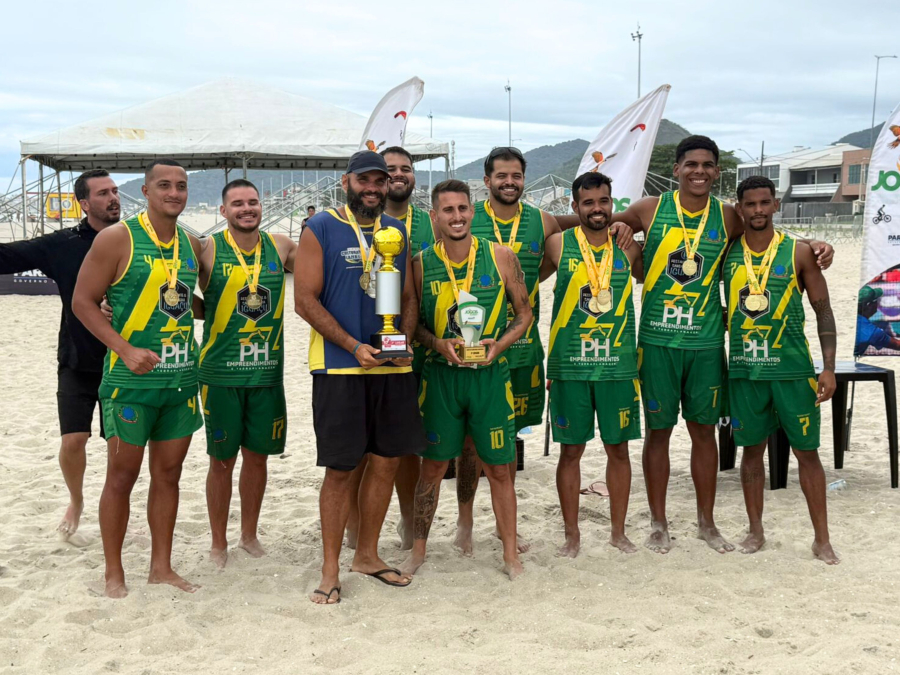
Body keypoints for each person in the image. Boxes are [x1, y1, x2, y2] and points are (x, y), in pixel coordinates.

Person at [608, 135, 833, 554]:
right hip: (657, 341)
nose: (699, 171)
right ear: (676, 169)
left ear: (717, 171)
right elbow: (598, 223)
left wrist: (817, 246)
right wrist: (620, 227)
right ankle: (658, 522)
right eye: (691, 164)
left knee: (703, 433)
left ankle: (706, 523)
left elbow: (766, 236)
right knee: (658, 433)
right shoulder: (649, 210)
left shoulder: (728, 217)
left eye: (708, 165)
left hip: (709, 344)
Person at [295, 150, 425, 605]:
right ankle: (330, 568)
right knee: (341, 467)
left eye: (380, 181)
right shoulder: (322, 227)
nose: (372, 187)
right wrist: (353, 346)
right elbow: (305, 300)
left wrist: (401, 342)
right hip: (340, 366)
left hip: (391, 367)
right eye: (364, 180)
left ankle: (367, 555)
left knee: (387, 461)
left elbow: (408, 296)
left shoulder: (396, 230)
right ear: (347, 182)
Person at [73, 159, 203, 598]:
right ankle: (114, 572)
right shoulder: (117, 238)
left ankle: (161, 567)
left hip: (181, 380)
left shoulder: (189, 243)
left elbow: (192, 300)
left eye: (181, 186)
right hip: (131, 384)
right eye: (164, 185)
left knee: (169, 475)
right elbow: (83, 302)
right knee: (121, 477)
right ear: (145, 191)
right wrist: (125, 349)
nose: (174, 193)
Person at [399, 179, 532, 579]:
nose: (456, 217)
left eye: (462, 209)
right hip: (442, 377)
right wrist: (437, 343)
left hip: (489, 376)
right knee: (433, 468)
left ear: (472, 212)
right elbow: (414, 325)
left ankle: (510, 555)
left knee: (500, 469)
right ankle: (419, 551)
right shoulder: (420, 264)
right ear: (435, 216)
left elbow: (524, 314)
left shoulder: (501, 256)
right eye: (447, 210)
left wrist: (500, 345)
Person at [0, 169, 119, 540]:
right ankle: (76, 499)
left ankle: (112, 504)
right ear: (84, 204)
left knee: (120, 447)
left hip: (124, 359)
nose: (113, 198)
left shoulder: (135, 240)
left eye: (115, 191)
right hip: (77, 358)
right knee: (73, 440)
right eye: (103, 193)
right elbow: (8, 257)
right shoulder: (64, 243)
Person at [725, 175, 839, 564]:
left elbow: (823, 311)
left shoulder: (799, 252)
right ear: (739, 208)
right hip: (744, 370)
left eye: (764, 203)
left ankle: (821, 539)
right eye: (750, 204)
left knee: (808, 454)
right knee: (751, 454)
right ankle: (755, 530)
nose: (757, 210)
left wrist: (827, 368)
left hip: (792, 370)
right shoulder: (726, 252)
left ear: (776, 205)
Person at [452, 147, 558, 555]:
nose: (509, 182)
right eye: (501, 175)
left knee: (508, 440)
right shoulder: (466, 216)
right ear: (487, 180)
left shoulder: (541, 221)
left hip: (521, 349)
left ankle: (503, 526)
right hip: (471, 347)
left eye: (516, 175)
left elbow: (540, 269)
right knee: (467, 443)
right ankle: (464, 521)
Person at [541, 172, 643, 557]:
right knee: (571, 452)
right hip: (570, 366)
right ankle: (572, 534)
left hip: (617, 365)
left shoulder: (629, 247)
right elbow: (525, 284)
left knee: (619, 449)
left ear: (612, 203)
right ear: (575, 207)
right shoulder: (557, 245)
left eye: (604, 202)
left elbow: (657, 279)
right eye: (588, 203)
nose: (597, 209)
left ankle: (618, 532)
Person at [196, 179, 297, 568]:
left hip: (267, 373)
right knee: (221, 461)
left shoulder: (282, 246)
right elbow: (167, 289)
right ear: (223, 211)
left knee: (258, 459)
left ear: (262, 205)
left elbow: (323, 274)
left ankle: (249, 535)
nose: (246, 208)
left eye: (252, 202)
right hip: (220, 373)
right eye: (237, 203)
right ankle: (218, 542)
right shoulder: (207, 249)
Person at [380, 145, 437, 550]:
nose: (398, 175)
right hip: (363, 348)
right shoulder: (355, 222)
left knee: (407, 445)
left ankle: (404, 517)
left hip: (420, 349)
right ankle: (354, 523)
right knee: (365, 446)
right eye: (389, 169)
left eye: (405, 169)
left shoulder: (432, 223)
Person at [855, 286, 900, 353]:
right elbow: (897, 345)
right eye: (876, 300)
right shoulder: (871, 332)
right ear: (869, 305)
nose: (878, 302)